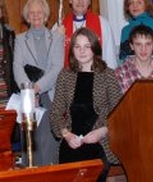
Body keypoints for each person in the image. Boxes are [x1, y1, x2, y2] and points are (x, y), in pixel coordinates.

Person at [51, 27, 123, 182]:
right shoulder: (65, 75)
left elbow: (119, 112)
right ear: (72, 50)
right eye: (77, 47)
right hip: (71, 142)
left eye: (87, 46)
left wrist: (101, 131)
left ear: (94, 48)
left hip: (99, 142)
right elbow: (55, 113)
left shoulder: (108, 75)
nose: (82, 51)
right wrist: (67, 135)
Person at [14, 0, 64, 166]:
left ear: (45, 15)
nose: (36, 15)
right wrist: (29, 92)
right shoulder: (20, 39)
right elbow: (17, 67)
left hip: (50, 95)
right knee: (31, 141)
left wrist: (37, 88)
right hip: (28, 97)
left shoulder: (56, 38)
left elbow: (57, 67)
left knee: (49, 141)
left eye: (39, 12)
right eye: (32, 13)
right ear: (27, 17)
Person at [61, 0, 117, 69]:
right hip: (69, 78)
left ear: (89, 1)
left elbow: (110, 56)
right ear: (70, 0)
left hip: (97, 76)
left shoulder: (102, 23)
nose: (80, 1)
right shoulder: (60, 25)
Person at [115, 25, 153, 93]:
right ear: (132, 46)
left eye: (148, 44)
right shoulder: (121, 72)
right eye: (138, 44)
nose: (143, 49)